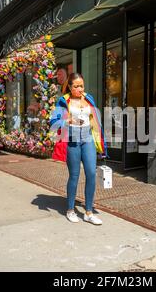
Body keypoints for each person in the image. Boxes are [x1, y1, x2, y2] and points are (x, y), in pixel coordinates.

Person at [50, 73, 107, 225]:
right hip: (72, 141)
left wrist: (101, 141)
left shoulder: (89, 98)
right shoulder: (63, 101)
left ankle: (88, 212)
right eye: (76, 86)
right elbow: (53, 121)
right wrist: (65, 120)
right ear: (69, 86)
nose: (79, 89)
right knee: (74, 176)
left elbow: (96, 119)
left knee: (91, 173)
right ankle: (70, 210)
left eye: (81, 85)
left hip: (87, 139)